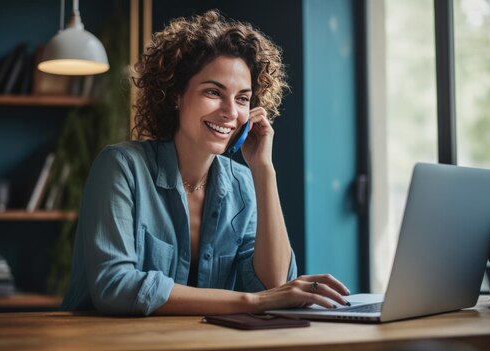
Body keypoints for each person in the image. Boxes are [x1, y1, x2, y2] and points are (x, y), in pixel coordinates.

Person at [61, 9, 350, 316]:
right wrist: (251, 303)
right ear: (175, 95)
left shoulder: (242, 182)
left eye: (242, 98)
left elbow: (274, 284)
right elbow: (115, 287)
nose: (230, 111)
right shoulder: (120, 167)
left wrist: (264, 171)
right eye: (213, 92)